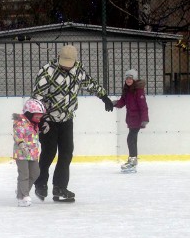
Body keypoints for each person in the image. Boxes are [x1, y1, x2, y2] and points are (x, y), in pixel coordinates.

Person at [32, 44, 114, 202]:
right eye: (63, 63)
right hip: (48, 119)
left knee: (66, 153)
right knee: (49, 152)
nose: (66, 67)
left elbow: (90, 84)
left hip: (67, 118)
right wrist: (40, 119)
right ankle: (40, 184)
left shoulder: (78, 70)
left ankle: (60, 187)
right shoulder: (47, 71)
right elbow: (37, 96)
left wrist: (104, 97)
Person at [114, 69, 149, 173]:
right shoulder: (127, 90)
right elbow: (122, 102)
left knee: (131, 139)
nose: (128, 80)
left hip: (137, 119)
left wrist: (145, 119)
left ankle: (132, 161)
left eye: (130, 78)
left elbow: (143, 106)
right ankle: (132, 161)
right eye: (127, 78)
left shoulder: (138, 90)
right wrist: (114, 103)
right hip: (131, 118)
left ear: (134, 79)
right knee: (132, 139)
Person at [13, 99, 45, 207]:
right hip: (22, 153)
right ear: (29, 113)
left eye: (40, 116)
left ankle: (21, 192)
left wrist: (42, 130)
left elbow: (31, 134)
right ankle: (24, 195)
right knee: (24, 174)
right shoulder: (20, 121)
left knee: (35, 173)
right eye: (37, 116)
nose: (39, 119)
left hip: (33, 153)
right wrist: (21, 144)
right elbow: (18, 134)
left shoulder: (34, 123)